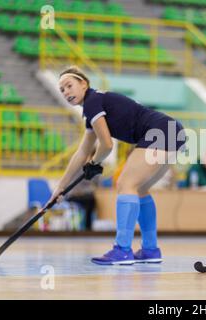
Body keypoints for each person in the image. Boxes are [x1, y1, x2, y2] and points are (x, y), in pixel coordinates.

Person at [48, 66, 185, 265]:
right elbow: (82, 152)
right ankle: (150, 249)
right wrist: (61, 187)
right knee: (140, 188)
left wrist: (94, 163)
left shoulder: (93, 103)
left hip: (160, 131)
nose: (66, 92)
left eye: (69, 86)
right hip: (172, 130)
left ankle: (122, 249)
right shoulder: (94, 109)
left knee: (125, 184)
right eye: (62, 90)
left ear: (84, 84)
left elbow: (106, 145)